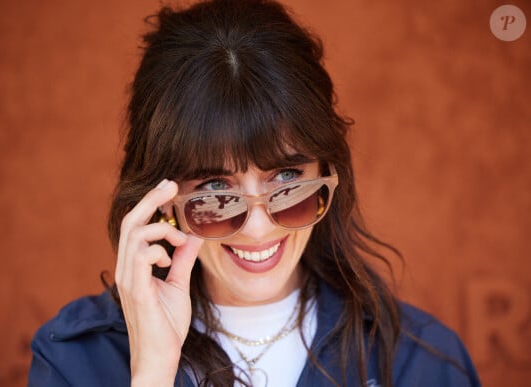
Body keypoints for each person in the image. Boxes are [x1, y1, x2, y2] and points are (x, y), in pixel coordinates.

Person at [28, 0, 481, 386]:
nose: (259, 227)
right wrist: (152, 371)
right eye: (214, 188)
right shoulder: (73, 361)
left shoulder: (422, 364)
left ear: (329, 172)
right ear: (163, 201)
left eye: (287, 179)